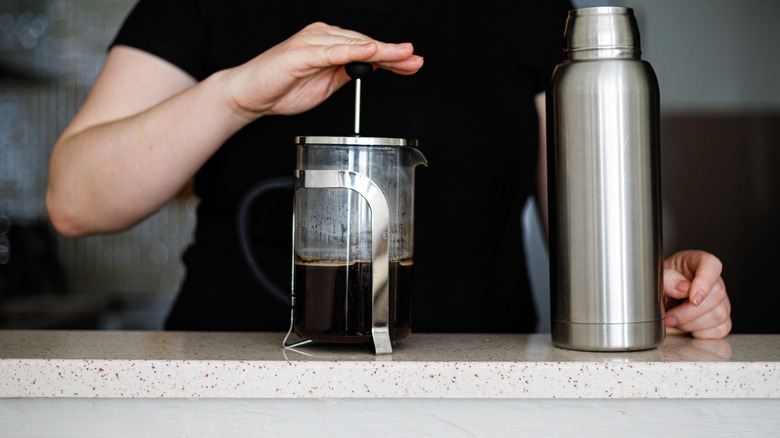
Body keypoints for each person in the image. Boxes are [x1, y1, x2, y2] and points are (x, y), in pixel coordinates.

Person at [45, 0, 731, 339]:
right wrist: (235, 92)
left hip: (479, 403)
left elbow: (593, 236)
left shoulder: (530, 9)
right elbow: (75, 200)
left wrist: (655, 292)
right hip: (235, 391)